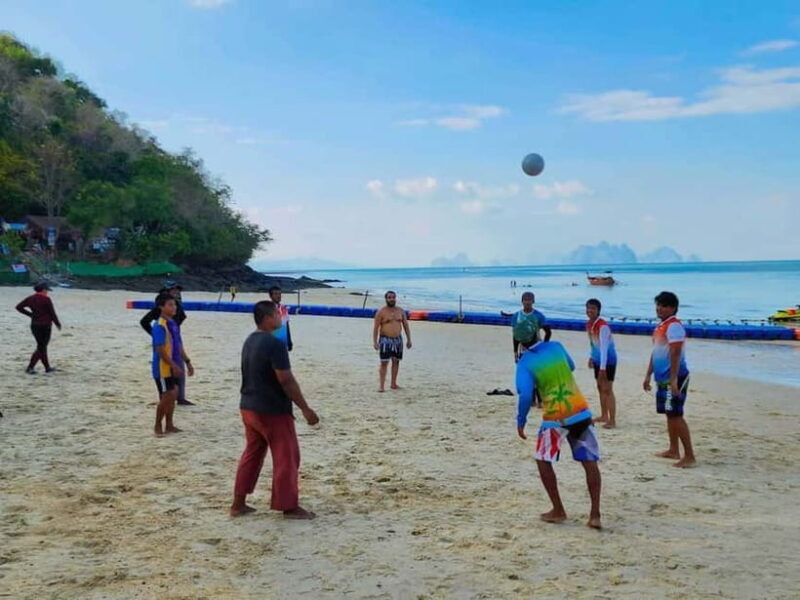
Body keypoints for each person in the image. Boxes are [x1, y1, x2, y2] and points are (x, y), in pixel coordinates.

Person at [231, 300, 319, 519]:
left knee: (252, 454)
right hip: (271, 410)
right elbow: (286, 380)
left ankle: (238, 503)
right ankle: (288, 506)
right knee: (287, 457)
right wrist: (305, 408)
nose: (281, 318)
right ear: (269, 317)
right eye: (278, 314)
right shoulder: (274, 344)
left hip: (248, 406)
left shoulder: (250, 340)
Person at [516, 330, 602, 529]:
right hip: (580, 411)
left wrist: (521, 420)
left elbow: (525, 394)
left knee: (543, 460)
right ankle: (595, 514)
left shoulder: (525, 362)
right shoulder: (556, 347)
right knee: (589, 462)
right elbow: (570, 366)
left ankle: (558, 510)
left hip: (555, 418)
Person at [643, 291, 696, 468]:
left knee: (676, 414)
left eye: (664, 305)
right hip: (662, 378)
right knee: (669, 413)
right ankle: (674, 449)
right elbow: (656, 352)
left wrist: (673, 379)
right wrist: (648, 374)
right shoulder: (660, 326)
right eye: (658, 305)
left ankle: (689, 455)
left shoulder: (674, 326)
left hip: (676, 377)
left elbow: (675, 352)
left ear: (673, 308)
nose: (660, 308)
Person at [141, 281, 192, 405]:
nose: (176, 292)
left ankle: (180, 397)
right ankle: (165, 399)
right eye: (173, 290)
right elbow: (144, 322)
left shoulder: (177, 306)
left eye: (177, 290)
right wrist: (156, 335)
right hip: (165, 339)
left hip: (175, 336)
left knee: (178, 369)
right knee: (166, 371)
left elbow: (181, 319)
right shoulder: (161, 312)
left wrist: (188, 361)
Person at [151, 294, 194, 436]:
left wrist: (187, 362)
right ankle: (157, 425)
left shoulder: (173, 324)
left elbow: (179, 345)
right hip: (163, 367)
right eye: (170, 305)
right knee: (167, 396)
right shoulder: (159, 326)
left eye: (174, 304)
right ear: (161, 307)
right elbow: (160, 350)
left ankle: (169, 424)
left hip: (175, 364)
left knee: (174, 395)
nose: (174, 307)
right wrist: (173, 365)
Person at [16, 282, 62, 374]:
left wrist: (31, 315)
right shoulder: (46, 299)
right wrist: (57, 323)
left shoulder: (30, 298)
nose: (47, 292)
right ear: (43, 290)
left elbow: (19, 307)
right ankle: (30, 367)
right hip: (45, 325)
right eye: (47, 290)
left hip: (35, 325)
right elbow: (52, 313)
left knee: (41, 346)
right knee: (42, 347)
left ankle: (47, 368)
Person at [586, 298, 618, 429]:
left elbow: (604, 347)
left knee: (608, 389)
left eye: (593, 309)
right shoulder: (589, 324)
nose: (590, 311)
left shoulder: (602, 326)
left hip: (608, 361)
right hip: (598, 359)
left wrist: (603, 369)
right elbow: (593, 344)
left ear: (598, 310)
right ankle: (604, 414)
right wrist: (591, 357)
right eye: (588, 308)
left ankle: (612, 420)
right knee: (600, 387)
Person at [372, 290, 412, 392]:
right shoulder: (381, 312)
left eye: (393, 297)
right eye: (389, 297)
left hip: (398, 339)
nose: (391, 299)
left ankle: (393, 384)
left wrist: (409, 339)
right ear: (386, 299)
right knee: (384, 362)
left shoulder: (400, 311)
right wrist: (375, 342)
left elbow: (406, 326)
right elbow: (376, 328)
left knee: (396, 361)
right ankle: (381, 386)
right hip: (385, 339)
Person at [511, 292, 551, 362]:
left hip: (536, 348)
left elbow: (548, 332)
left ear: (533, 301)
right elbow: (515, 336)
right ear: (522, 301)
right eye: (525, 300)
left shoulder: (538, 316)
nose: (527, 302)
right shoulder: (516, 316)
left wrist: (544, 346)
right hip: (523, 349)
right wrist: (515, 352)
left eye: (529, 300)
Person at [268, 285, 292, 351]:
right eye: (275, 294)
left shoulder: (284, 308)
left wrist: (289, 340)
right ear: (270, 296)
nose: (278, 296)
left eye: (279, 294)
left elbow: (286, 325)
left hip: (282, 341)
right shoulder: (267, 309)